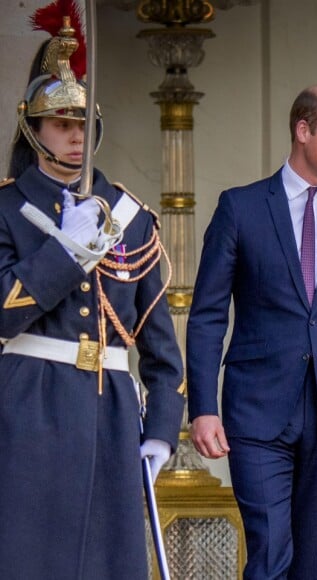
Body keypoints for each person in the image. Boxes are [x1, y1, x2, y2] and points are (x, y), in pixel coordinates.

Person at [186, 84, 317, 579]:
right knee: (270, 558)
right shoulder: (239, 208)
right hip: (256, 410)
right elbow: (207, 315)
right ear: (304, 131)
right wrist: (203, 407)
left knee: (309, 566)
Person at [0, 7, 184, 579]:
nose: (75, 137)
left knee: (107, 563)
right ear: (34, 129)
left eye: (82, 124)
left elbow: (159, 345)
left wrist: (160, 431)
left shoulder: (130, 217)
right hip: (32, 404)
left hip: (110, 409)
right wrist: (64, 254)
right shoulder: (7, 209)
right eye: (61, 124)